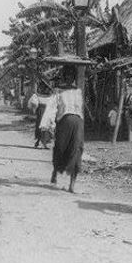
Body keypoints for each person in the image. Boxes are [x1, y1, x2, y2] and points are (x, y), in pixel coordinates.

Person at [39, 65, 84, 193]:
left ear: (74, 77)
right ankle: (55, 171)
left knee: (76, 150)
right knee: (60, 148)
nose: (70, 78)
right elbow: (51, 108)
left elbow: (80, 109)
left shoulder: (78, 91)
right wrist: (48, 125)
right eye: (67, 76)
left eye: (72, 76)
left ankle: (72, 185)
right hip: (64, 122)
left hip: (78, 123)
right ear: (64, 77)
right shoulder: (58, 92)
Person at [28, 84, 53, 149]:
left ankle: (45, 143)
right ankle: (38, 142)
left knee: (47, 127)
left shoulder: (51, 95)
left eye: (47, 88)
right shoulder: (37, 95)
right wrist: (34, 109)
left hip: (48, 112)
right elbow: (34, 103)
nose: (47, 89)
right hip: (41, 112)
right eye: (45, 88)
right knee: (40, 126)